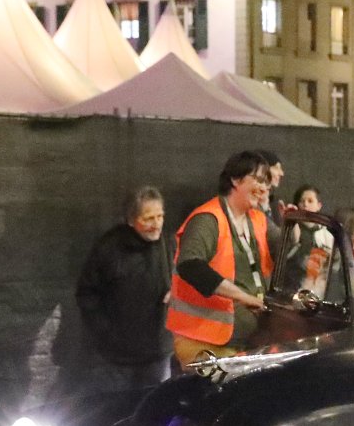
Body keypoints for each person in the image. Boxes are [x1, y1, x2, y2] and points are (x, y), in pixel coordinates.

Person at [167, 152, 273, 364]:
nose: (263, 188)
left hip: (245, 343)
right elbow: (190, 265)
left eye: (266, 183)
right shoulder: (208, 219)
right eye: (258, 180)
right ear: (235, 179)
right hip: (204, 343)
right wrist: (243, 297)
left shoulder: (258, 219)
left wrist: (295, 229)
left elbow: (288, 252)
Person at [72, 186, 174, 393]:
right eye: (148, 219)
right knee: (118, 406)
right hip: (118, 357)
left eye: (160, 216)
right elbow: (87, 293)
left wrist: (176, 292)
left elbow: (182, 277)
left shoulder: (168, 243)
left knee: (155, 406)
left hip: (158, 350)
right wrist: (106, 333)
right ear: (131, 220)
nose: (157, 224)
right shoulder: (109, 248)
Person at [285, 184, 335, 299]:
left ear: (319, 206)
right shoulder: (292, 229)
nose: (305, 204)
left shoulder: (328, 234)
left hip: (320, 290)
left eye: (310, 201)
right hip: (293, 288)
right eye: (302, 201)